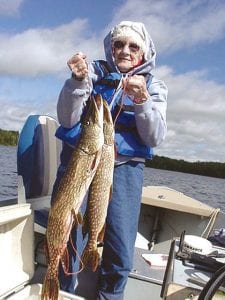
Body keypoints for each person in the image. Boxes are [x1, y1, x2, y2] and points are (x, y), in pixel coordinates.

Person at [52, 20, 168, 300]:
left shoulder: (155, 87)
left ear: (144, 53)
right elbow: (68, 119)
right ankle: (63, 292)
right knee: (67, 237)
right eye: (119, 44)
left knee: (120, 252)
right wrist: (77, 82)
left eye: (133, 46)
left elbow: (154, 137)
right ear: (111, 47)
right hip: (80, 162)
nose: (125, 51)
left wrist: (142, 102)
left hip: (124, 170)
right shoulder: (92, 72)